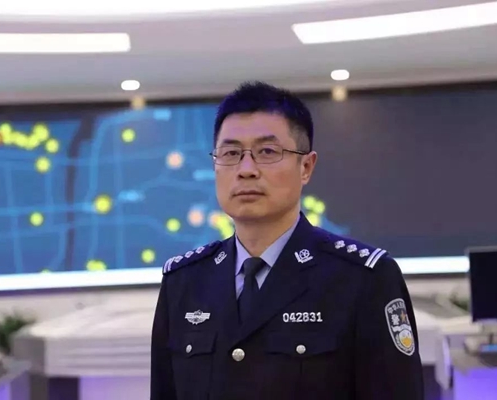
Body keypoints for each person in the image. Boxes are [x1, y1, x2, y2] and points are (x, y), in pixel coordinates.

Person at [150, 81, 423, 400]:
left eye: (267, 152)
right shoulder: (184, 282)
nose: (246, 170)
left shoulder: (363, 280)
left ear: (306, 167)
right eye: (231, 153)